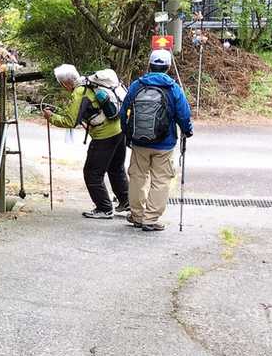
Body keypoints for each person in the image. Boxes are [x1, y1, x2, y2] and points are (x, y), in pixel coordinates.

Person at [121, 49, 194, 232]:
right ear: (168, 67)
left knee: (137, 177)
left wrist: (128, 134)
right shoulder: (173, 88)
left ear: (150, 65)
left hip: (139, 141)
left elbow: (124, 112)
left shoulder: (137, 85)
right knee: (160, 180)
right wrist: (187, 131)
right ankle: (150, 219)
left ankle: (137, 216)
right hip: (164, 143)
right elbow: (183, 114)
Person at [44, 64, 129, 219]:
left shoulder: (79, 92)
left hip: (104, 136)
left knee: (92, 173)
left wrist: (51, 117)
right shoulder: (89, 84)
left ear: (65, 83)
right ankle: (126, 202)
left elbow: (70, 121)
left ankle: (104, 208)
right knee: (116, 168)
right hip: (119, 130)